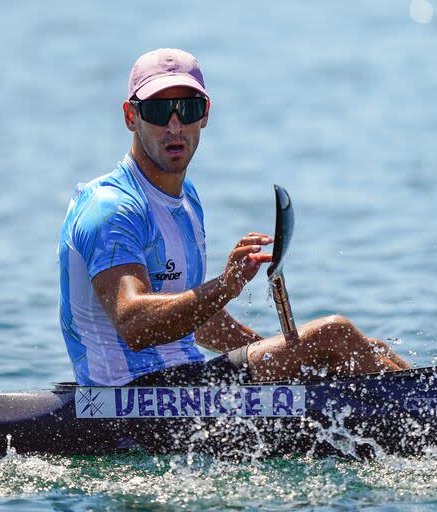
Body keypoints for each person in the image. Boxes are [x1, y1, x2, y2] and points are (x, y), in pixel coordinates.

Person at [58, 48, 410, 387]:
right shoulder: (111, 209)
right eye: (158, 110)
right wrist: (225, 287)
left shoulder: (187, 199)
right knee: (335, 333)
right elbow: (134, 325)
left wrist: (287, 354)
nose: (175, 125)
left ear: (205, 114)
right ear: (131, 117)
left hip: (185, 382)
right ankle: (433, 430)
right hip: (132, 394)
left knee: (360, 348)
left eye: (188, 108)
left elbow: (193, 317)